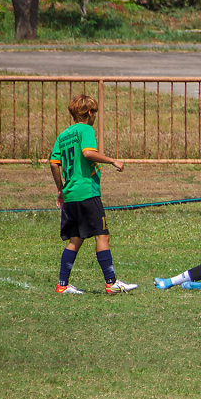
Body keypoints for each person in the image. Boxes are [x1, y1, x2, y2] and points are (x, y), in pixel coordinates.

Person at [49, 94, 137, 295]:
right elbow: (88, 152)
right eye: (94, 112)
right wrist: (113, 160)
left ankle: (62, 285)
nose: (95, 115)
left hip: (71, 195)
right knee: (102, 235)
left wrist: (61, 189)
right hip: (87, 193)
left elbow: (54, 162)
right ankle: (111, 282)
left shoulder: (63, 135)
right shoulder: (86, 129)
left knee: (76, 239)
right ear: (89, 113)